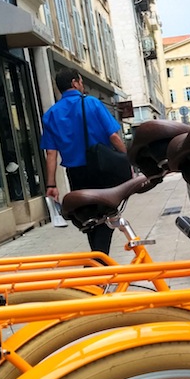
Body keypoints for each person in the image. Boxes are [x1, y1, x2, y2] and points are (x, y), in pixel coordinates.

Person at [41, 67, 127, 254]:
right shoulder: (92, 103)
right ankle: (99, 261)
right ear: (75, 83)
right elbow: (113, 136)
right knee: (105, 214)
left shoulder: (51, 115)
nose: (82, 85)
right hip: (101, 169)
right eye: (81, 82)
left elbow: (51, 154)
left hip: (76, 174)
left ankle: (98, 258)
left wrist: (51, 184)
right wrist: (128, 158)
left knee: (88, 217)